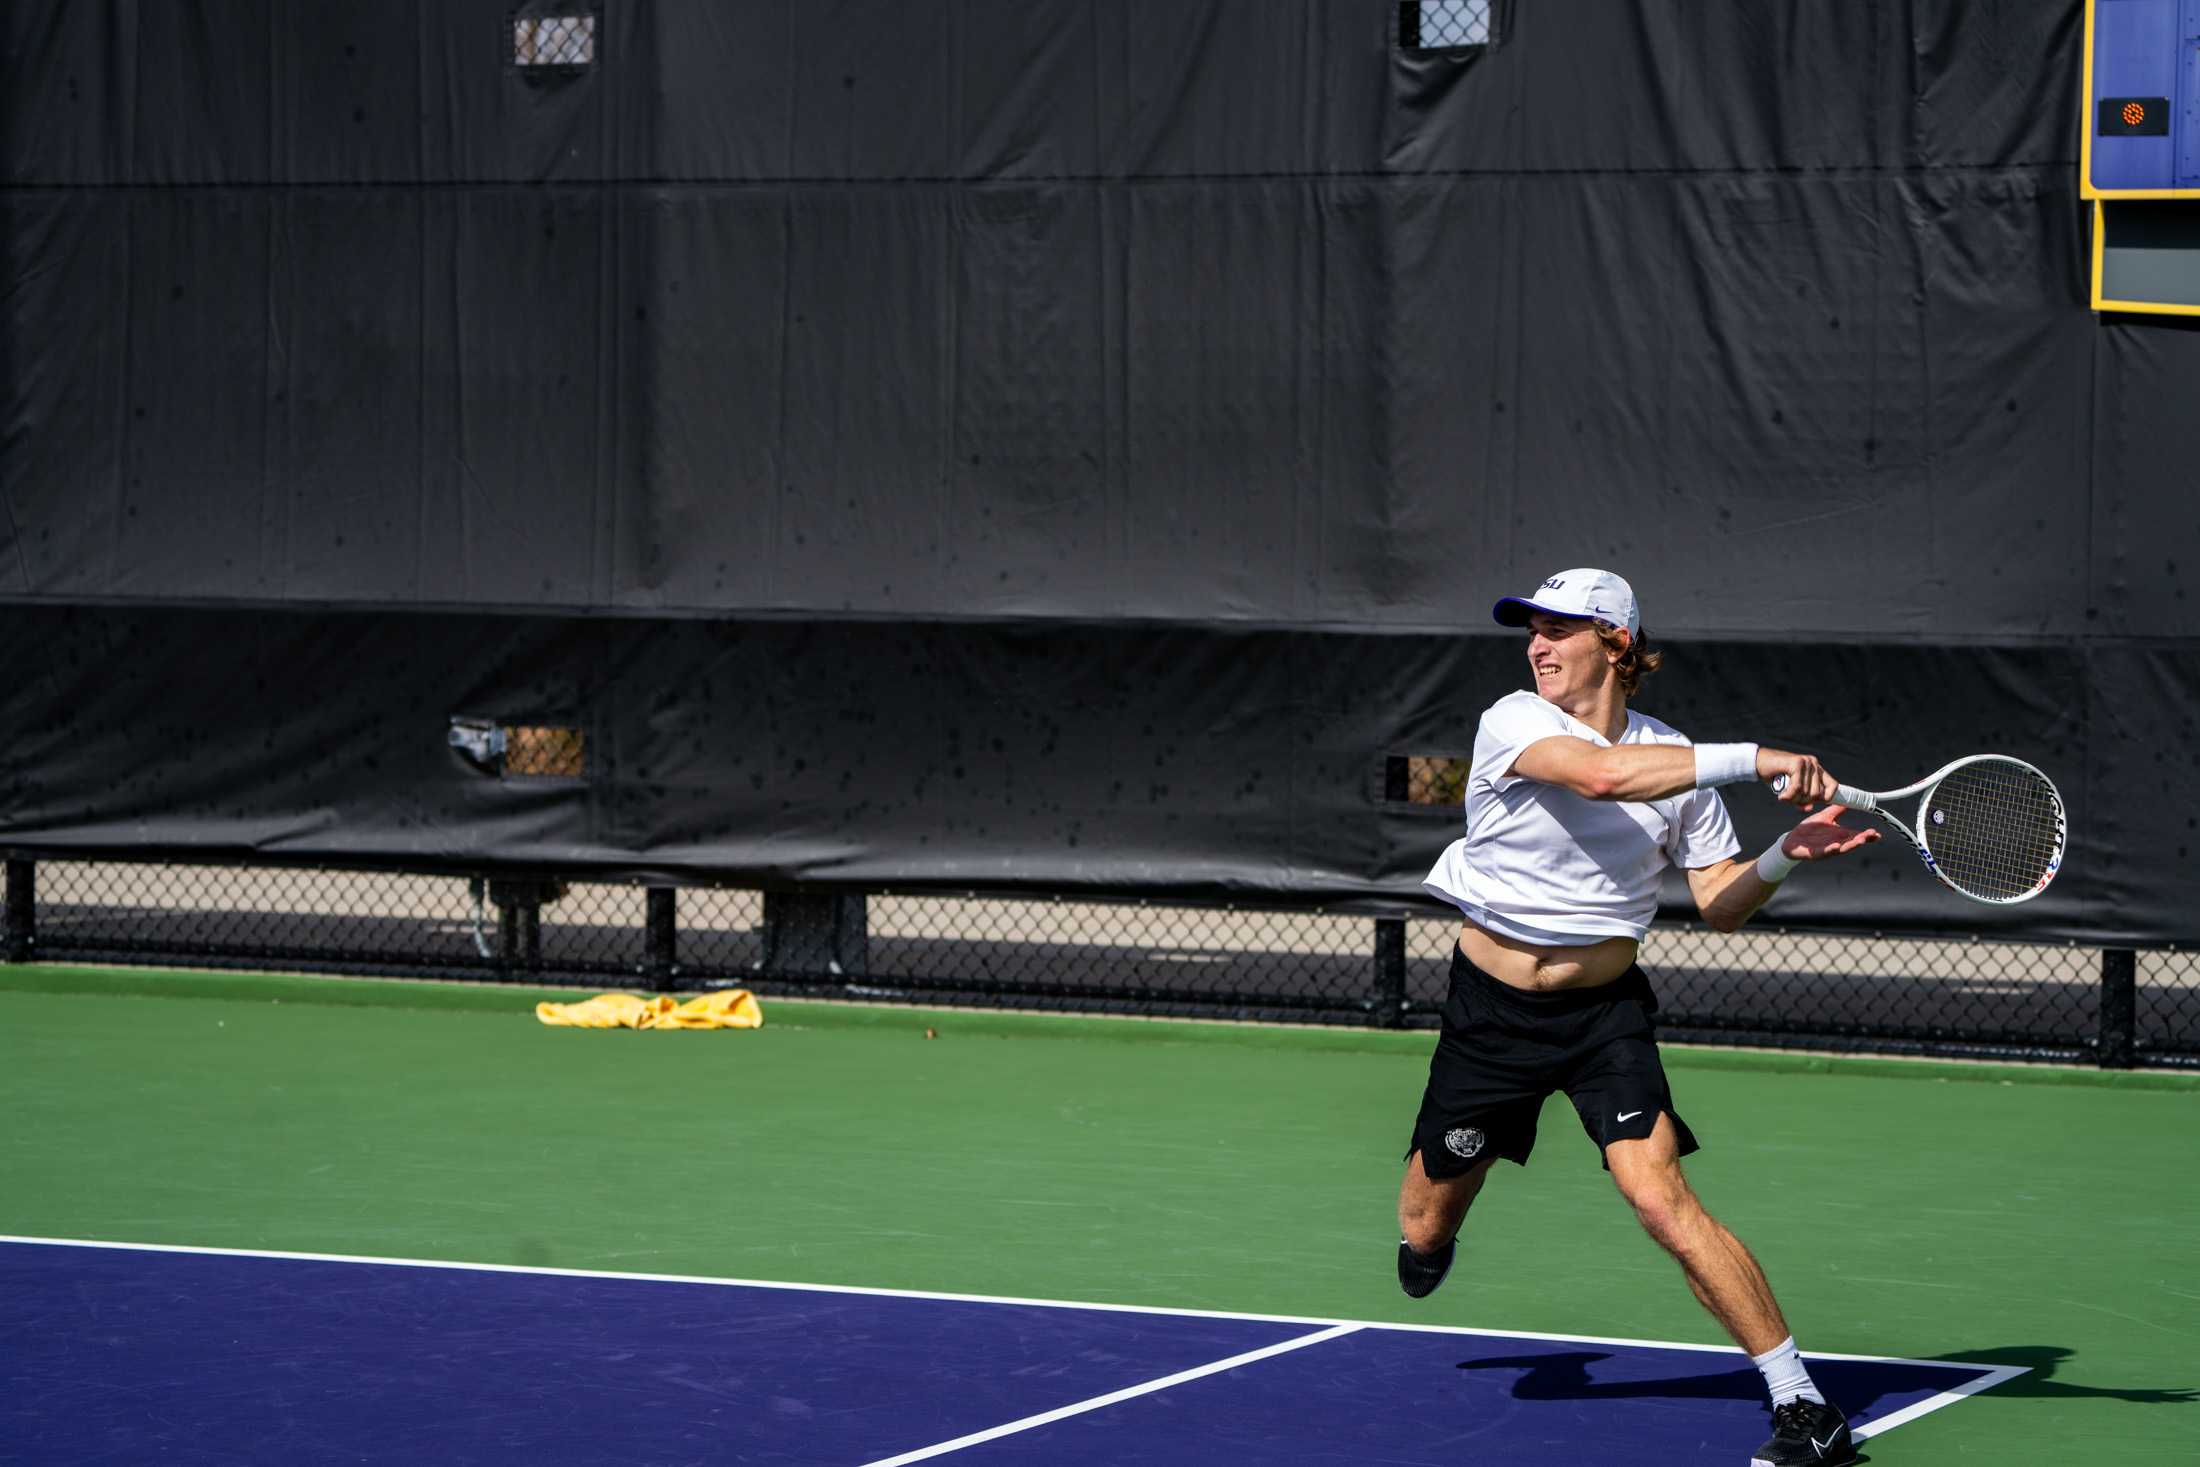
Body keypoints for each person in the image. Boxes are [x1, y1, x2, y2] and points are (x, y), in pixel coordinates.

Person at [1398, 568, 1880, 1467]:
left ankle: (1804, 1405)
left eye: (1558, 629)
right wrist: (1763, 757)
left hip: (1603, 1019)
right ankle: (1432, 1235)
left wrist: (1783, 849)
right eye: (1530, 629)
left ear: (1615, 643)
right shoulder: (1515, 721)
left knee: (1660, 1199)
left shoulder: (1677, 761)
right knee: (1424, 1227)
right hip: (1488, 1015)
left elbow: (1720, 903)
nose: (1536, 644)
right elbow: (1602, 774)